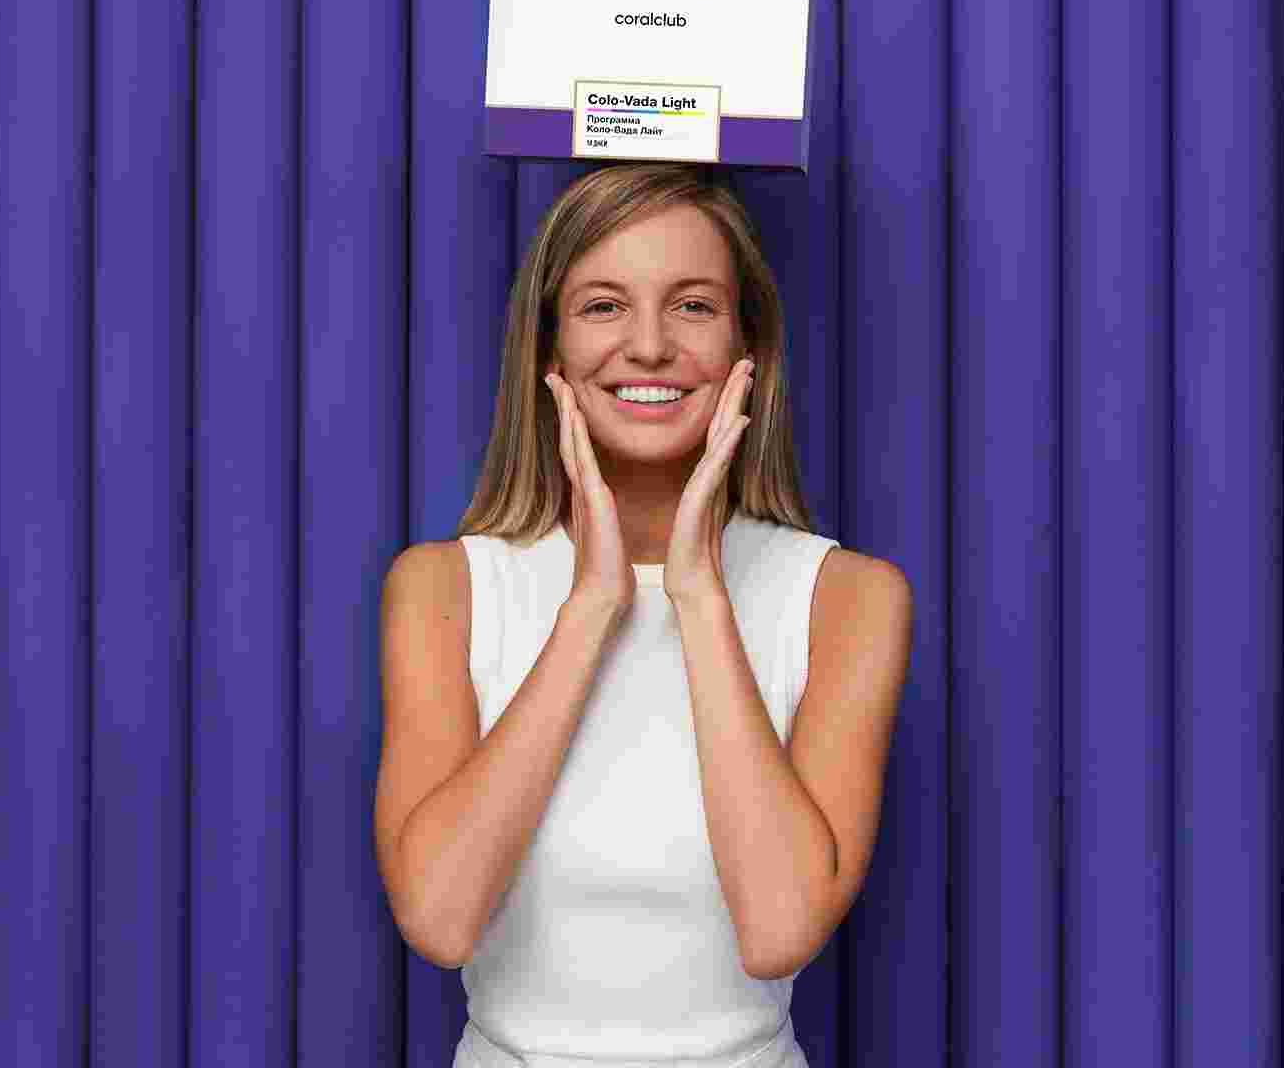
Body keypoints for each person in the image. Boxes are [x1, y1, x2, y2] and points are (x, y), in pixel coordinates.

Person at [375, 162, 912, 1068]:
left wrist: (698, 596)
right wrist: (593, 604)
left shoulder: (850, 600)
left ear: (749, 348)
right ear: (547, 351)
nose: (651, 347)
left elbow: (779, 930)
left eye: (694, 306)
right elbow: (439, 917)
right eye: (603, 306)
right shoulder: (442, 590)